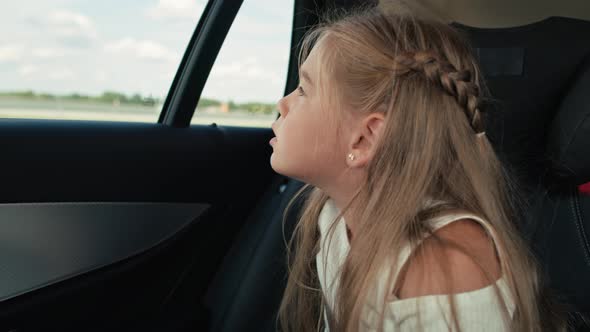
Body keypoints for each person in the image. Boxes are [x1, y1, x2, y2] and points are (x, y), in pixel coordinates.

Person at [270, 1, 564, 331]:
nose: (283, 103)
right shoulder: (333, 211)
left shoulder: (445, 266)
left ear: (364, 139)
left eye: (304, 89)